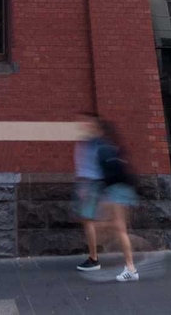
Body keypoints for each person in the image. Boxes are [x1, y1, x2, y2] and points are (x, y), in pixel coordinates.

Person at [74, 114, 140, 282]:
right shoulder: (107, 145)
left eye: (88, 124)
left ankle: (131, 268)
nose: (84, 126)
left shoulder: (99, 146)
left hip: (116, 190)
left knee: (119, 228)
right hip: (119, 188)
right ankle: (130, 264)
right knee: (119, 228)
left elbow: (103, 173)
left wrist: (99, 194)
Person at [74, 113, 104, 272]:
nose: (82, 124)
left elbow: (92, 166)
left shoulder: (94, 143)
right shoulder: (88, 142)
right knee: (88, 220)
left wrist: (85, 187)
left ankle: (94, 258)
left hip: (90, 184)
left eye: (86, 122)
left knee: (88, 220)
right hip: (88, 183)